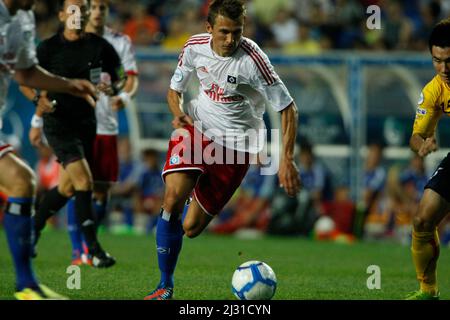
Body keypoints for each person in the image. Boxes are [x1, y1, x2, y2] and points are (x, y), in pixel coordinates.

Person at [144, 0, 300, 300]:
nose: (231, 40)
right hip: (197, 128)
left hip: (236, 148)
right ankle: (165, 286)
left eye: (237, 32)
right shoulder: (194, 47)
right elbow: (174, 90)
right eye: (224, 32)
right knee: (173, 197)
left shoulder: (253, 60)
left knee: (190, 227)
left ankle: (192, 193)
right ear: (209, 28)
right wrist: (177, 112)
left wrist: (287, 158)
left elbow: (287, 107)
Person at [27, 0, 139, 266]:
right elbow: (28, 82)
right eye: (73, 10)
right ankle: (92, 250)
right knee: (84, 182)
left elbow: (120, 76)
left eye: (84, 10)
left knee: (67, 188)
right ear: (62, 14)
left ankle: (31, 230)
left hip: (88, 125)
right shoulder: (48, 48)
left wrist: (115, 90)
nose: (79, 15)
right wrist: (36, 111)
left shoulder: (103, 46)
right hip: (58, 124)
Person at [0, 0, 97, 300]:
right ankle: (26, 284)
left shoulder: (24, 19)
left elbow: (26, 74)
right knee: (22, 180)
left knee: (22, 182)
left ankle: (27, 285)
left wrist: (68, 85)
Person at [404, 18, 450, 300]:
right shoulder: (434, 90)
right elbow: (415, 136)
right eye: (437, 60)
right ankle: (427, 290)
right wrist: (421, 146)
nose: (444, 68)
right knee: (422, 220)